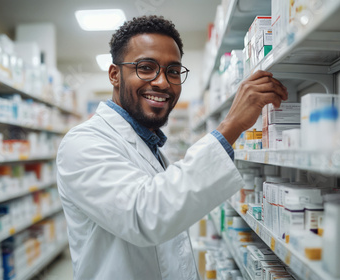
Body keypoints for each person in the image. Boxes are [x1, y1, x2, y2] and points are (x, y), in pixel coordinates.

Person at [57, 15, 288, 280]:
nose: (163, 83)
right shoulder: (83, 143)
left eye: (173, 71)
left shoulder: (151, 147)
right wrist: (231, 126)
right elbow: (146, 217)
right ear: (114, 75)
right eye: (146, 67)